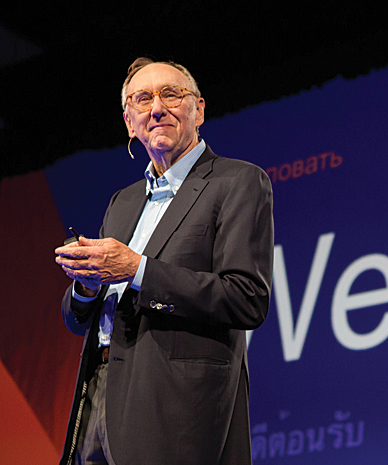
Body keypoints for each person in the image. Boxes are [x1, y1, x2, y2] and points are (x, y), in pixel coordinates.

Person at [54, 57, 274, 465]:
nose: (156, 108)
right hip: (100, 393)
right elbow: (78, 318)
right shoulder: (123, 201)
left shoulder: (237, 182)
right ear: (129, 122)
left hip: (175, 408)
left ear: (199, 109)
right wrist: (86, 285)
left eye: (171, 94)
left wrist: (137, 269)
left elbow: (247, 297)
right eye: (142, 99)